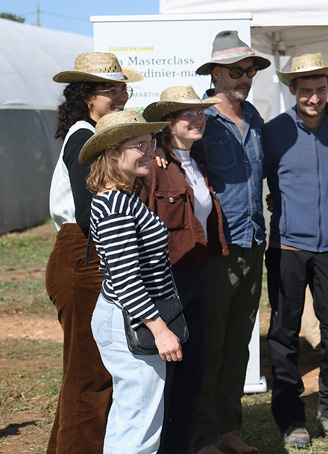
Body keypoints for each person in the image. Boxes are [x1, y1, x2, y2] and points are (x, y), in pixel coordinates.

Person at [263, 52, 328, 448]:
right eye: (306, 91)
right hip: (286, 246)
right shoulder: (273, 131)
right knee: (285, 335)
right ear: (292, 90)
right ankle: (289, 417)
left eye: (320, 90)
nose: (314, 98)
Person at [45, 52, 141, 454]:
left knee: (88, 369)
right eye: (110, 89)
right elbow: (90, 213)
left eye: (123, 88)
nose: (120, 96)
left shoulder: (92, 133)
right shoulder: (84, 136)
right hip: (83, 253)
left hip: (86, 253)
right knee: (90, 373)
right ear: (87, 96)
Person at [191, 30, 270, 454]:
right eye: (237, 70)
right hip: (216, 250)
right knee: (211, 343)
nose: (245, 77)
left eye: (251, 69)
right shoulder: (200, 118)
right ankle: (203, 434)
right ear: (216, 73)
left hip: (252, 242)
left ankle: (226, 427)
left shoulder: (253, 116)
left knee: (239, 342)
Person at [140, 86, 230, 454]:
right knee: (166, 373)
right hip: (167, 279)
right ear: (167, 124)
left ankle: (180, 446)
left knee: (193, 369)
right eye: (187, 114)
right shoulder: (154, 167)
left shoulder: (196, 164)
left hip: (198, 274)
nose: (198, 120)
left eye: (201, 113)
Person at [83, 110, 177, 453]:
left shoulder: (121, 198)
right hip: (129, 320)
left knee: (133, 418)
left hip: (126, 317)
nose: (150, 152)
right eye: (140, 145)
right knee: (139, 425)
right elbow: (125, 280)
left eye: (150, 144)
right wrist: (159, 328)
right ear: (112, 153)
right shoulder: (115, 206)